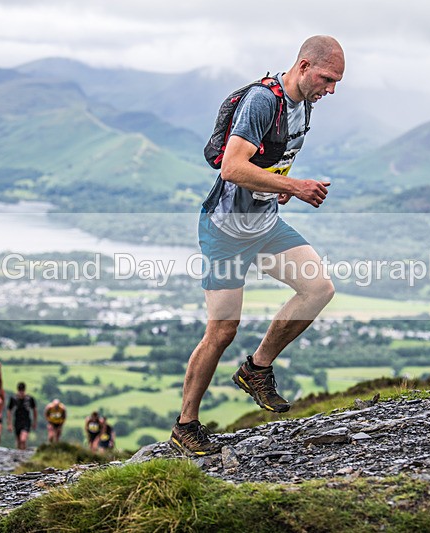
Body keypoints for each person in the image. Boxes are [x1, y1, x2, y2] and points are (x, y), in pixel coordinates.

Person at [171, 35, 344, 456]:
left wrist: (279, 189)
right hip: (226, 230)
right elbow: (232, 167)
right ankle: (185, 425)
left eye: (337, 82)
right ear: (303, 66)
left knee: (318, 289)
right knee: (222, 330)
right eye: (326, 78)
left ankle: (257, 369)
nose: (331, 90)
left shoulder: (304, 105)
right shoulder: (263, 101)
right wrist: (295, 186)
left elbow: (268, 163)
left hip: (264, 226)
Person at [7, 382, 37, 450]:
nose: (21, 393)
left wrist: (34, 422)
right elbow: (9, 410)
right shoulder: (13, 399)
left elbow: (34, 410)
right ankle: (20, 455)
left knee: (23, 439)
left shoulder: (29, 399)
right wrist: (9, 424)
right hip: (17, 421)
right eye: (20, 391)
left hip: (26, 421)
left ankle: (23, 455)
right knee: (18, 441)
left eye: (22, 391)